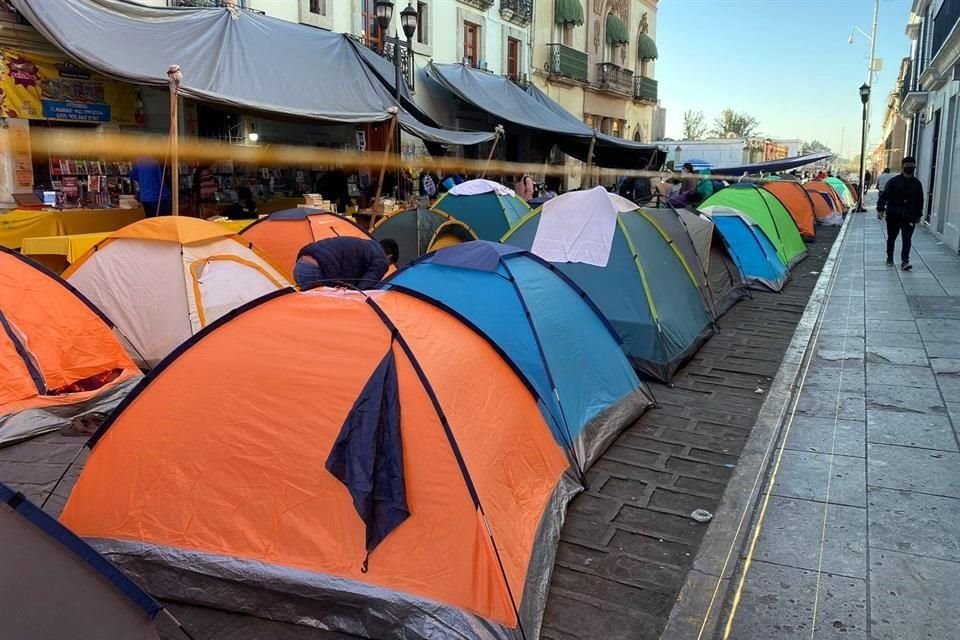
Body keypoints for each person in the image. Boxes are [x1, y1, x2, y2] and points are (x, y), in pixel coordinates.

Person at [877, 156, 923, 271]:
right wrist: (880, 209)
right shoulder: (894, 182)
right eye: (907, 165)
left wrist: (919, 215)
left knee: (907, 239)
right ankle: (890, 257)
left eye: (911, 165)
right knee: (892, 237)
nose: (909, 167)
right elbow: (884, 196)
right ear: (902, 166)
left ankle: (905, 261)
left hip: (909, 216)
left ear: (915, 167)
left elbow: (920, 200)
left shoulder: (917, 184)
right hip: (894, 215)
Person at [293, 236, 389, 288]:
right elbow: (363, 288)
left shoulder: (366, 245)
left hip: (300, 265)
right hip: (315, 270)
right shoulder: (382, 259)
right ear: (390, 257)